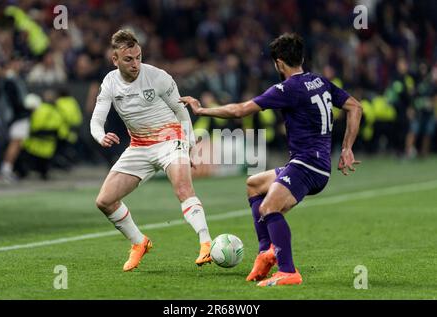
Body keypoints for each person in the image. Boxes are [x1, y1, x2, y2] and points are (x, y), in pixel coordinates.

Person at [180, 33, 362, 287]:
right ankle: (266, 253)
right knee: (254, 184)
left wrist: (201, 110)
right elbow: (355, 107)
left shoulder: (288, 88)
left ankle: (288, 271)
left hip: (307, 166)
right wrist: (347, 148)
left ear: (279, 63)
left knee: (268, 208)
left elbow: (240, 110)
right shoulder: (319, 81)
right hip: (312, 164)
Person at [90, 29, 212, 272]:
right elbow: (96, 120)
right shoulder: (110, 83)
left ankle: (206, 243)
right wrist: (101, 136)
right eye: (128, 59)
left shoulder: (158, 77)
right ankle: (139, 243)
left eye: (138, 57)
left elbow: (182, 113)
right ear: (115, 60)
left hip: (170, 138)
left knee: (183, 188)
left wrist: (187, 144)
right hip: (139, 146)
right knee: (104, 201)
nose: (135, 64)